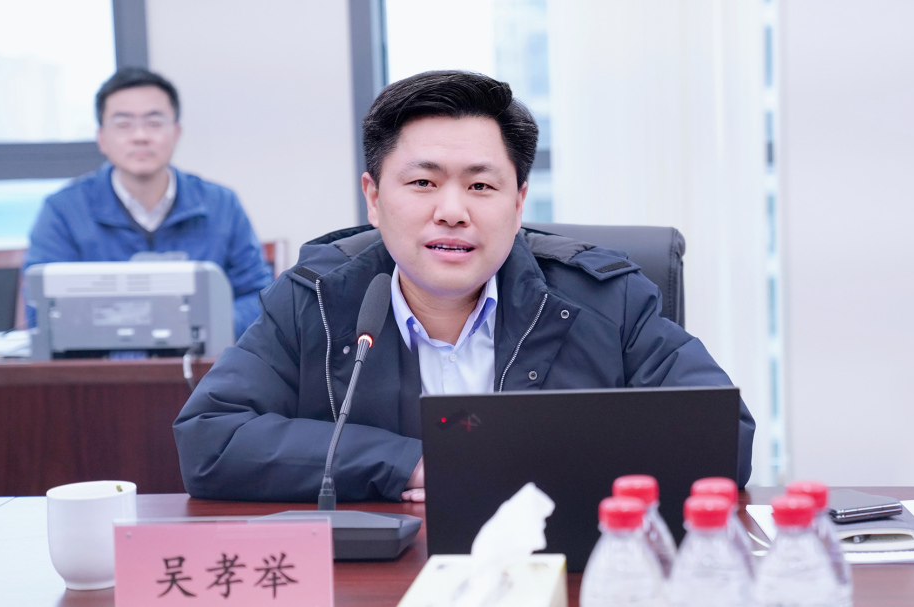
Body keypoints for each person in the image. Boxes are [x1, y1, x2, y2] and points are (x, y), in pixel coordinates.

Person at [174, 70, 755, 503]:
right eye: (423, 183)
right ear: (373, 198)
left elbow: (722, 437)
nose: (452, 211)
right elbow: (210, 438)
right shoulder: (316, 301)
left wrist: (502, 467)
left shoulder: (607, 300)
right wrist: (408, 463)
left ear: (519, 203)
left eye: (481, 187)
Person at [22, 67, 272, 339]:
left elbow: (259, 299)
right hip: (99, 363)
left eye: (154, 123)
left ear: (176, 133)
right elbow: (41, 311)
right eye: (123, 124)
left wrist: (203, 325)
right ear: (102, 138)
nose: (140, 135)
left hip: (204, 362)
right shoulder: (64, 210)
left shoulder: (221, 204)